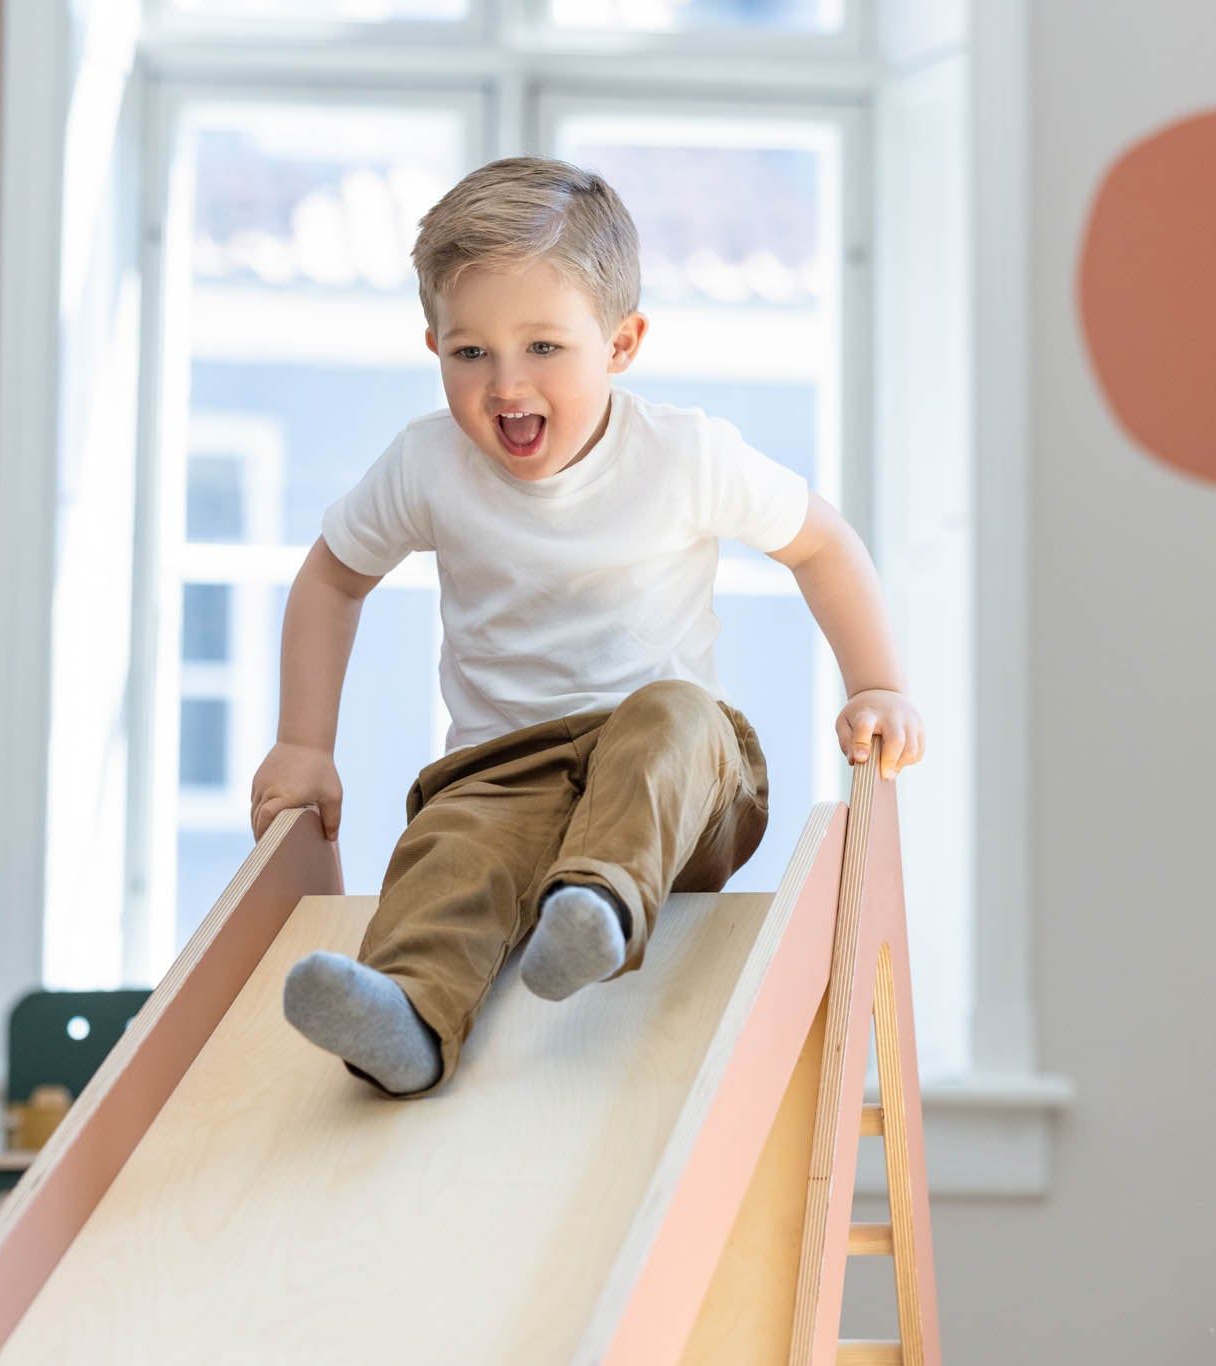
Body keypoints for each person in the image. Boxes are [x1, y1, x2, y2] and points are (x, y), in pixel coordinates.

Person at [247, 155, 924, 1099]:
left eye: (544, 348)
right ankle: (406, 1019)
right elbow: (331, 580)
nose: (505, 385)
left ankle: (597, 907)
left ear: (622, 342)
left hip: (676, 790)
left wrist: (877, 682)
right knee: (449, 851)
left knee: (674, 716)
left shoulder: (685, 455)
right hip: (504, 772)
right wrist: (302, 743)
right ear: (432, 344)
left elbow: (820, 544)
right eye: (469, 352)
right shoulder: (427, 465)